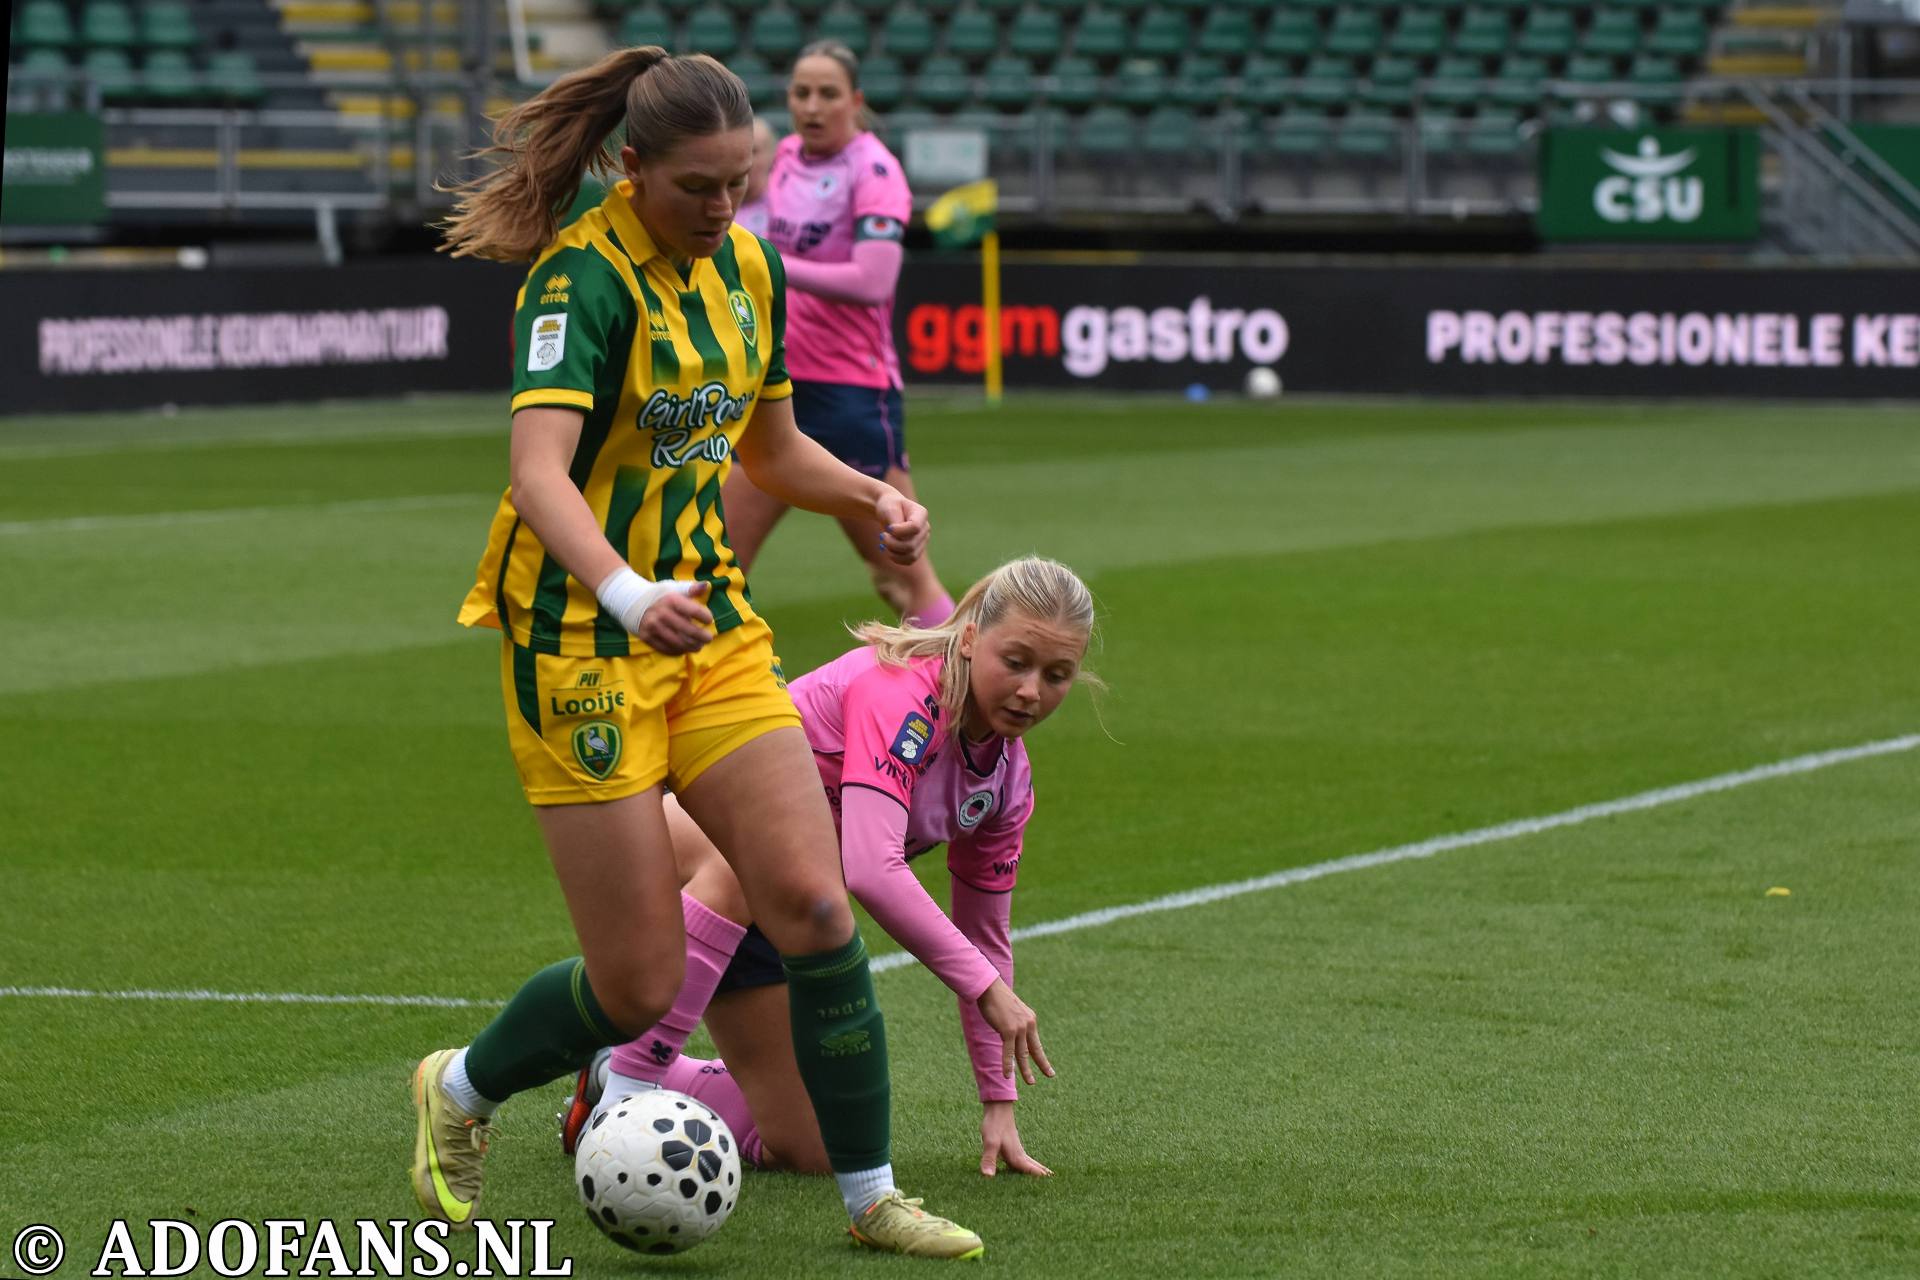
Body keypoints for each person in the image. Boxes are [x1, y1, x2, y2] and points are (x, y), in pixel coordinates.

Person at [412, 46, 984, 1261]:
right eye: (697, 187)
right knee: (633, 984)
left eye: (739, 184)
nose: (724, 209)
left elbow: (770, 450)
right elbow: (536, 474)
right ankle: (460, 1087)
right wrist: (623, 592)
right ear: (631, 168)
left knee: (817, 899)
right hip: (579, 640)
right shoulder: (580, 280)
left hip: (712, 626)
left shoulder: (750, 267)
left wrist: (871, 495)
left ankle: (872, 1198)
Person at [560, 557, 1099, 1183]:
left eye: (1056, 675)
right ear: (973, 637)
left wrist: (997, 1099)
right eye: (1016, 662)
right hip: (696, 860)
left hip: (787, 907)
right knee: (753, 853)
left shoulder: (1007, 779)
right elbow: (872, 868)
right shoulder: (904, 694)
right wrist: (987, 988)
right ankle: (627, 1084)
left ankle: (603, 1073)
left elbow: (984, 936)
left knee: (813, 1149)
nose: (1032, 690)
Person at [721, 41, 954, 626]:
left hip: (851, 392)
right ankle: (691, 709)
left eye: (828, 94)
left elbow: (874, 280)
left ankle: (980, 711)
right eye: (801, 93)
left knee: (900, 580)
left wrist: (768, 262)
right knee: (716, 566)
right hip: (776, 389)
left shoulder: (873, 170)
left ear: (856, 101)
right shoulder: (789, 157)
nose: (812, 106)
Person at [734, 116, 777, 238]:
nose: (746, 161)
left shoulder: (784, 205)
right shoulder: (716, 205)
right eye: (738, 152)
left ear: (772, 155)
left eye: (754, 151)